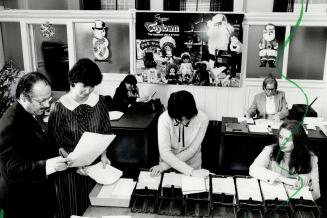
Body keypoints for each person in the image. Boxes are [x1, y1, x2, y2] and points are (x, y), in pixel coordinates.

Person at [48, 58, 112, 218]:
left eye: (92, 86)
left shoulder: (100, 102)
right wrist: (73, 163)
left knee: (95, 210)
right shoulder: (59, 107)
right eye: (84, 85)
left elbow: (105, 132)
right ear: (74, 82)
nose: (88, 90)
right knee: (74, 211)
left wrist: (104, 156)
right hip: (69, 171)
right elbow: (56, 142)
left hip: (95, 167)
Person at [0, 72, 69, 218]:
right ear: (24, 98)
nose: (47, 105)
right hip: (23, 204)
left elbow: (36, 145)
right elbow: (12, 169)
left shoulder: (31, 113)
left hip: (40, 198)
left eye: (49, 99)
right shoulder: (10, 124)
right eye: (42, 101)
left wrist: (58, 153)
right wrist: (50, 165)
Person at [249, 120, 320, 200]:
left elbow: (316, 194)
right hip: (272, 199)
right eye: (280, 137)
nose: (282, 142)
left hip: (295, 203)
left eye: (288, 140)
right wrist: (285, 180)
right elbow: (253, 169)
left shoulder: (311, 158)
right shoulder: (270, 150)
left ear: (298, 141)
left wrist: (307, 182)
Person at [150, 90, 210, 178]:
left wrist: (164, 166)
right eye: (180, 120)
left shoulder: (203, 119)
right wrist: (165, 166)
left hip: (191, 165)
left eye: (188, 119)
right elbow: (165, 152)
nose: (185, 122)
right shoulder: (164, 119)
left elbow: (192, 150)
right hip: (168, 163)